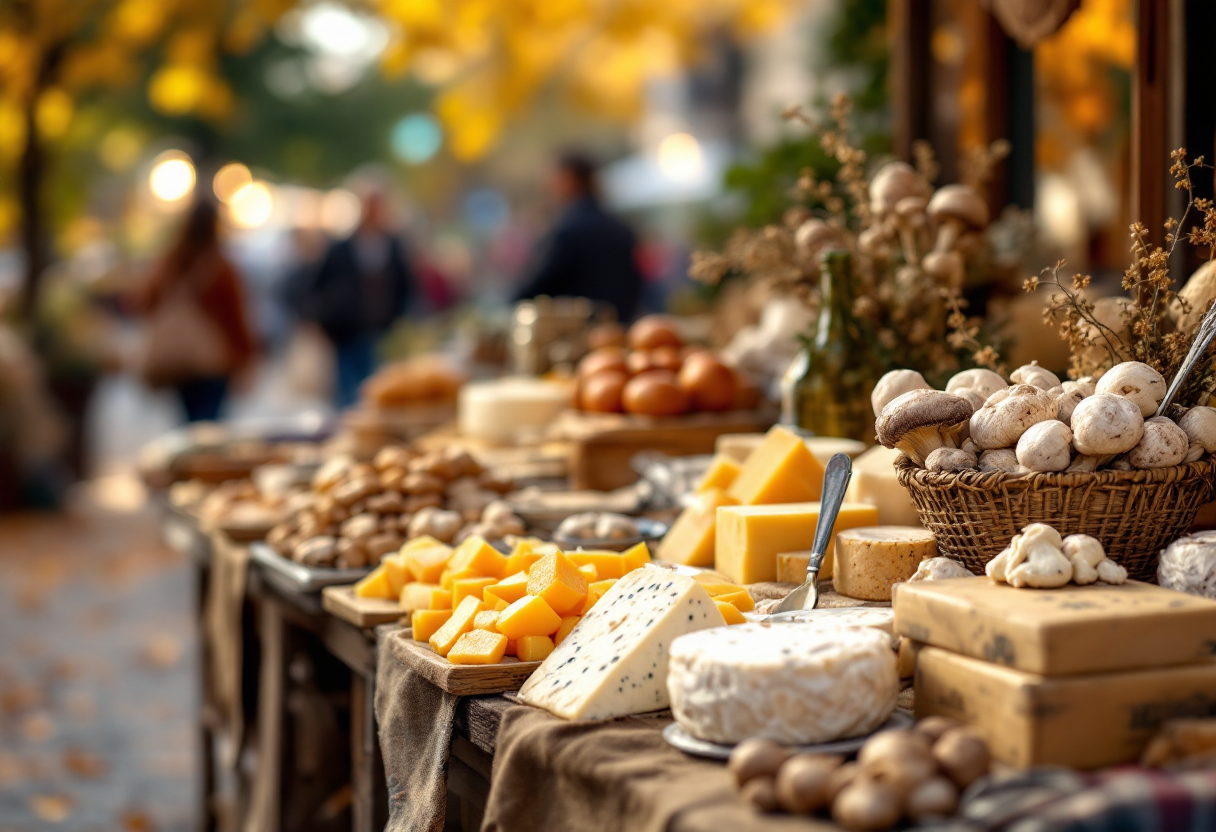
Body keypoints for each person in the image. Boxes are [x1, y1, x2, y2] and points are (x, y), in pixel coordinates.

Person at [134, 198, 255, 423]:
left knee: (188, 420)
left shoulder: (170, 262)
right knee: (210, 424)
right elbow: (235, 319)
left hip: (180, 363)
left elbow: (145, 303)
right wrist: (245, 359)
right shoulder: (221, 268)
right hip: (214, 362)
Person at [293, 189, 415, 408]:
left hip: (382, 333)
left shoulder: (393, 245)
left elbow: (405, 285)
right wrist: (322, 317)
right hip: (347, 333)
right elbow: (313, 286)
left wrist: (400, 317)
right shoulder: (341, 248)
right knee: (348, 397)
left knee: (380, 393)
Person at [515, 152, 643, 322]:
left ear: (569, 179)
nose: (547, 186)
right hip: (619, 328)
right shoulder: (621, 228)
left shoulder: (568, 230)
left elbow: (540, 285)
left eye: (553, 178)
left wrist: (512, 301)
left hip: (580, 334)